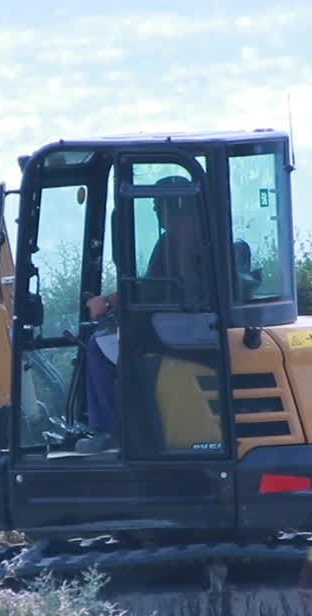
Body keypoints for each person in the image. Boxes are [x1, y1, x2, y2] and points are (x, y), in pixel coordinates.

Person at [74, 177, 204, 453]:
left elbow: (149, 291)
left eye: (159, 205)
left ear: (175, 204)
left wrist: (108, 303)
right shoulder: (206, 236)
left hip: (179, 331)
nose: (157, 211)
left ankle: (108, 431)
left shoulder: (175, 241)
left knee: (98, 344)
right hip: (192, 325)